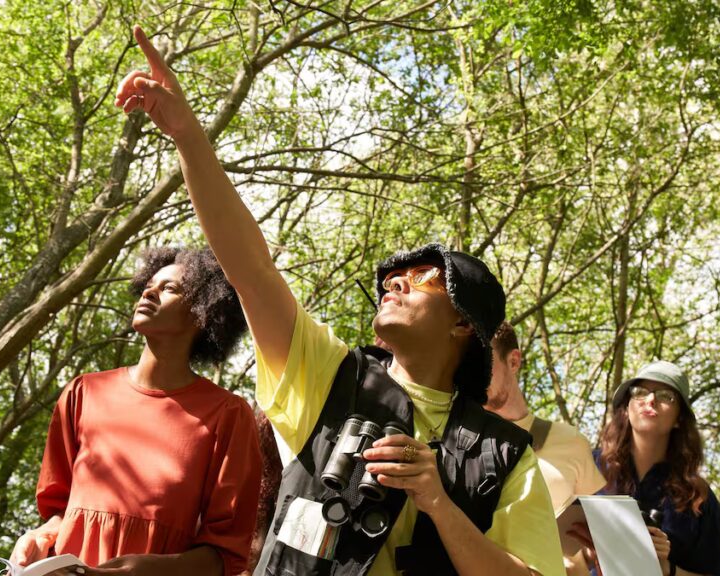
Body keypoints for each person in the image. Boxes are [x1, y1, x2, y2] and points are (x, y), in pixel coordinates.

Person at [114, 26, 565, 576]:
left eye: (424, 278)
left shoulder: (505, 453)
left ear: (463, 325)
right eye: (391, 279)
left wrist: (439, 504)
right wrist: (187, 134)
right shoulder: (331, 378)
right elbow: (250, 270)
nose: (395, 284)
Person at [11, 247, 263, 576]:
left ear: (203, 312)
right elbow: (60, 511)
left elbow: (225, 555)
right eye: (149, 284)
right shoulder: (83, 392)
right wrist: (39, 537)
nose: (149, 292)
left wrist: (156, 570)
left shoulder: (228, 415)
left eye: (169, 288)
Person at [579, 361, 720, 576]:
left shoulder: (698, 496)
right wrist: (589, 553)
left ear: (679, 419)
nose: (650, 400)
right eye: (640, 392)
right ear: (626, 409)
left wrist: (667, 569)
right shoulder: (587, 468)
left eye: (666, 396)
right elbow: (555, 548)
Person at [485, 322, 605, 576]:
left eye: (484, 360)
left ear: (513, 361)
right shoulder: (455, 443)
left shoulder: (570, 441)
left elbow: (598, 537)